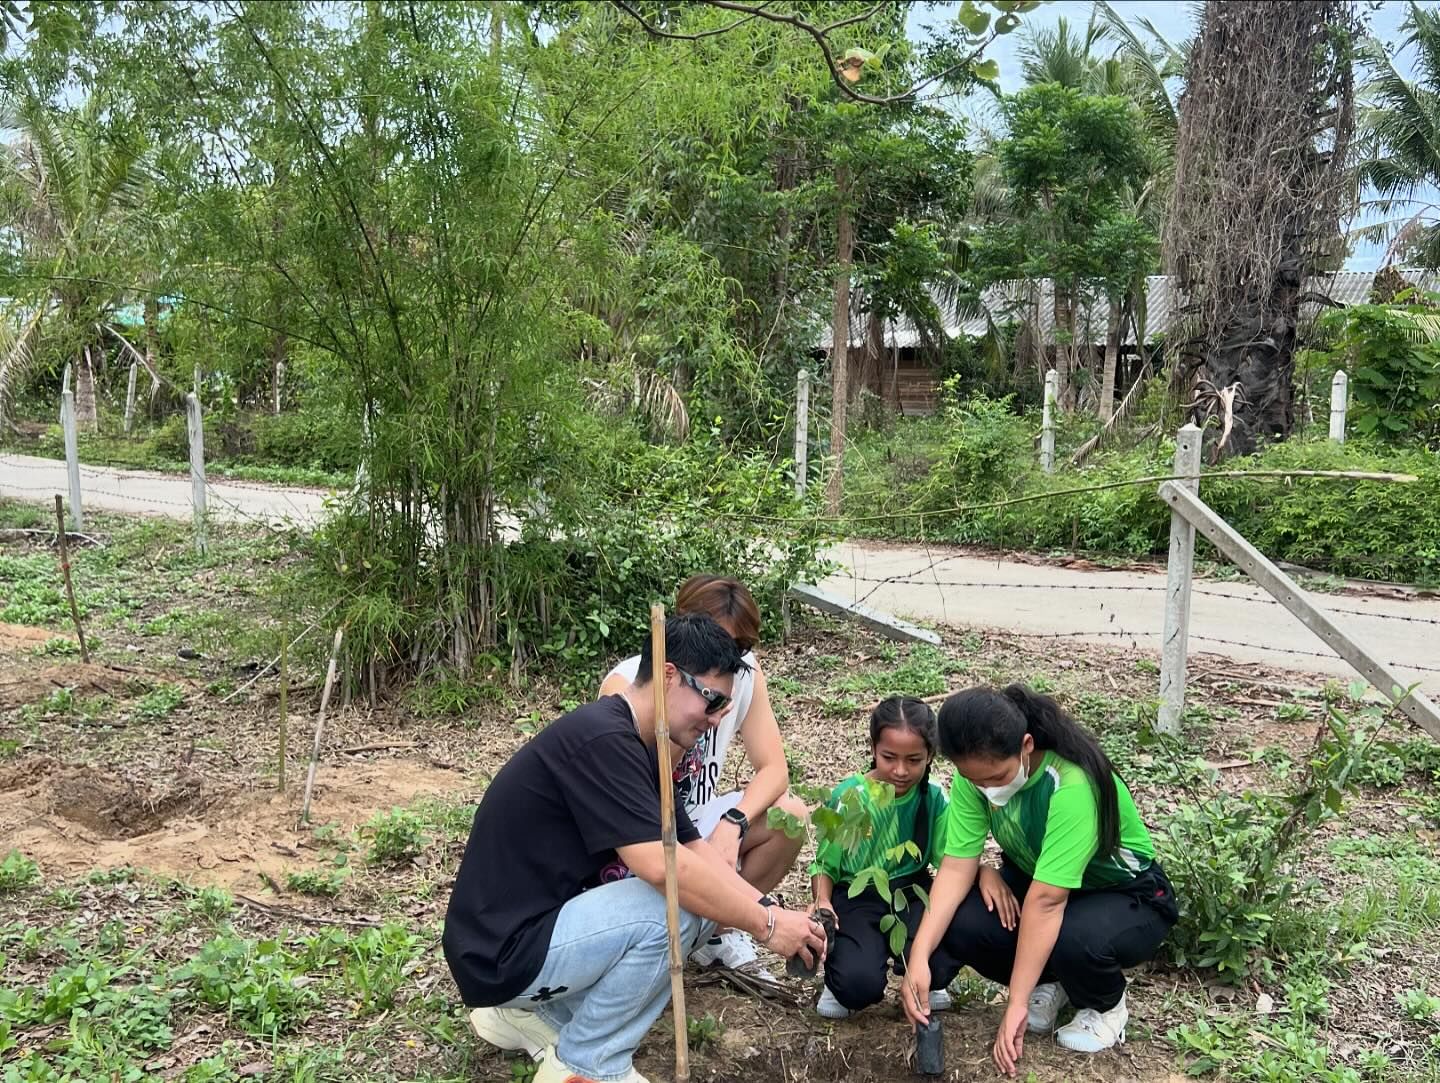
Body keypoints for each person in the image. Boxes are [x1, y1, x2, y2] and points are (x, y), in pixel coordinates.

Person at [444, 614, 827, 1083]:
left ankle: (531, 1014)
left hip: (528, 935)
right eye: (710, 703)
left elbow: (695, 849)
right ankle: (588, 1063)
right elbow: (662, 867)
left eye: (723, 711)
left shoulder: (642, 743)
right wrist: (767, 927)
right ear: (669, 676)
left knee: (703, 894)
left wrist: (772, 911)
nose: (712, 722)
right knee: (677, 906)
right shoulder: (604, 738)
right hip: (502, 952)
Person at [901, 684, 1178, 1079]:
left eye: (997, 776)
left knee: (1075, 938)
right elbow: (956, 867)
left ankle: (1106, 1004)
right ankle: (1051, 981)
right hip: (1038, 880)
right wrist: (918, 958)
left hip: (1126, 893)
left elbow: (1047, 902)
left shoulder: (1071, 784)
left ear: (1026, 745)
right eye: (977, 781)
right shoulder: (972, 775)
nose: (989, 789)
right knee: (966, 919)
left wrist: (1014, 1003)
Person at [600, 575, 808, 982]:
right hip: (644, 829)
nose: (729, 662)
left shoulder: (743, 676)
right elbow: (644, 805)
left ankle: (715, 933)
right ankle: (676, 933)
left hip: (694, 820)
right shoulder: (629, 688)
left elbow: (775, 769)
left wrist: (735, 822)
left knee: (790, 814)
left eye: (740, 650)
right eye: (719, 645)